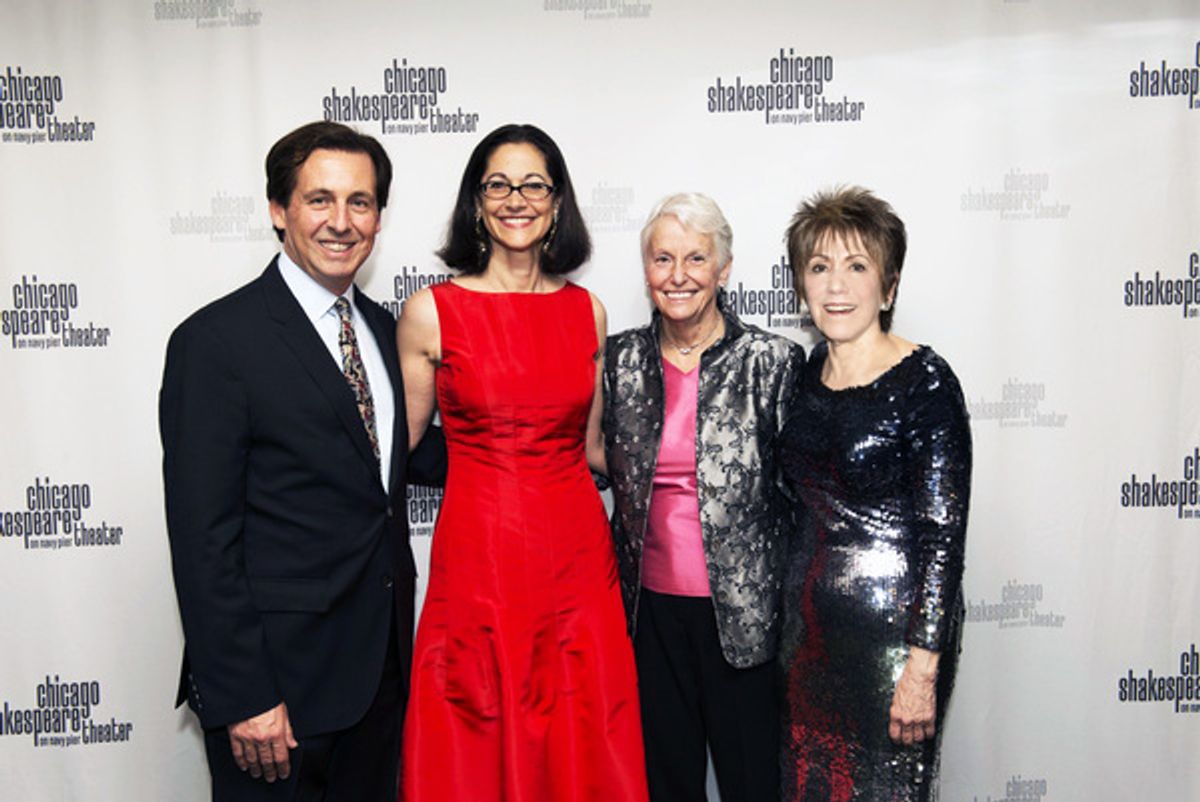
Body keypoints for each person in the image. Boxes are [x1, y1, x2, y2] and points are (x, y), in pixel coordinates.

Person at [160, 121, 444, 802]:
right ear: (279, 211)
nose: (341, 222)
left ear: (379, 217)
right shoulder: (216, 342)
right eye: (320, 200)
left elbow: (420, 460)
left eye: (361, 202)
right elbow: (204, 540)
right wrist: (244, 695)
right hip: (276, 695)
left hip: (379, 678)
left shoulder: (387, 330)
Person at [396, 123, 648, 801]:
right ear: (476, 202)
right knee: (474, 733)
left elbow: (593, 447)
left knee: (582, 730)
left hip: (576, 561)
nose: (517, 198)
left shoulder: (585, 312)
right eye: (499, 184)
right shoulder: (432, 313)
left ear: (557, 201)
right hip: (478, 559)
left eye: (534, 184)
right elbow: (400, 450)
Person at [604, 192, 804, 802]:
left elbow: (801, 500)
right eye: (662, 259)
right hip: (648, 617)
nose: (678, 275)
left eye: (696, 258)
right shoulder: (618, 361)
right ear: (646, 272)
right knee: (667, 783)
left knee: (751, 784)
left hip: (745, 621)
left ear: (724, 268)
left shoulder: (772, 362)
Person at [777, 186, 971, 801]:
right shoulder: (802, 376)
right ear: (802, 287)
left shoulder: (925, 381)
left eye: (857, 266)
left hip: (895, 645)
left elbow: (943, 536)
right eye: (819, 266)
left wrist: (923, 664)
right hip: (805, 640)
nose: (837, 285)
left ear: (887, 287)